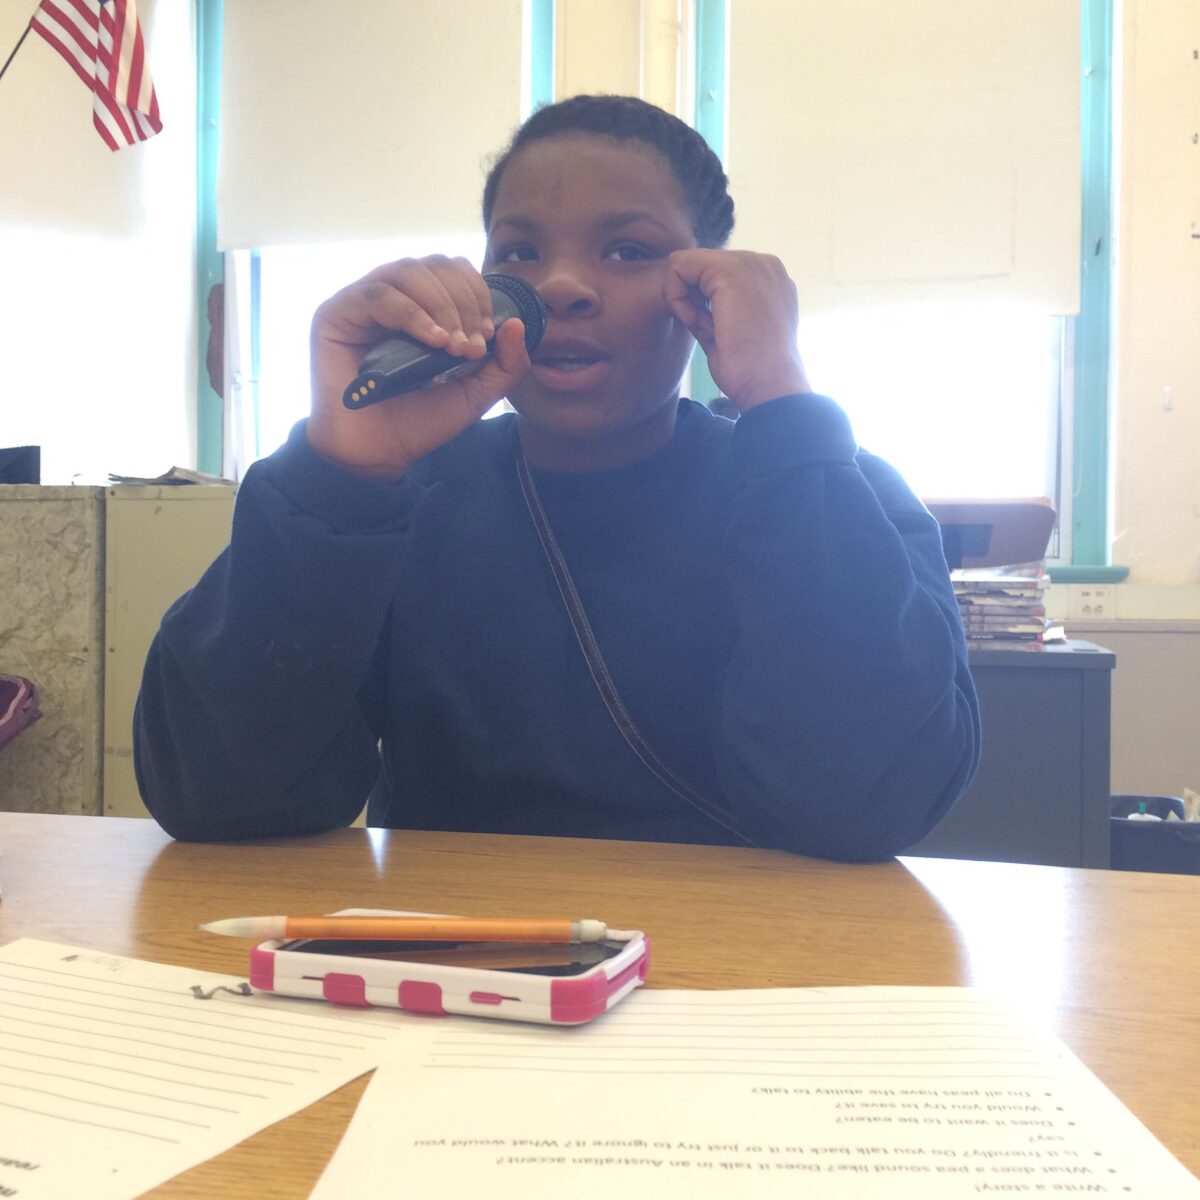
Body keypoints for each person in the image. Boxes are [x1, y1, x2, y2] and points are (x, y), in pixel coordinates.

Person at [135, 95, 980, 860]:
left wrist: (782, 399)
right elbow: (217, 797)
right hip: (454, 973)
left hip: (741, 982)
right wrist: (339, 475)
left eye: (627, 249)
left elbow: (858, 810)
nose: (563, 285)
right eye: (520, 251)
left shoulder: (826, 486)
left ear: (707, 289)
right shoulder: (397, 495)